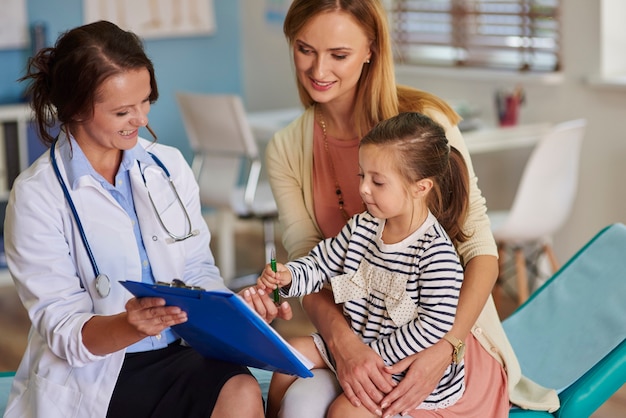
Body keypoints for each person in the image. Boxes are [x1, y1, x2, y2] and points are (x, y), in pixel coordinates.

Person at [265, 0, 559, 417]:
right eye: (305, 49)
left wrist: (446, 348)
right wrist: (344, 344)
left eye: (339, 55)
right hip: (357, 336)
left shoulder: (424, 124)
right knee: (289, 385)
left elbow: (480, 251)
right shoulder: (285, 148)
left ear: (371, 49)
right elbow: (311, 262)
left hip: (440, 349)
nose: (318, 70)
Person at [3, 20, 291, 418]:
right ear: (74, 108)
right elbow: (63, 330)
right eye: (123, 110)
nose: (140, 120)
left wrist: (236, 311)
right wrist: (131, 324)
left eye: (146, 101)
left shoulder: (168, 166)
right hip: (97, 371)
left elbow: (196, 267)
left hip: (182, 351)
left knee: (241, 389)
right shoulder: (37, 195)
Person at [259, 112, 479, 417]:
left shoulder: (435, 254)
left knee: (343, 412)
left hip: (402, 370)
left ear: (421, 187)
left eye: (377, 182)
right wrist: (289, 276)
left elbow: (433, 326)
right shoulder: (363, 226)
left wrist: (370, 359)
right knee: (288, 360)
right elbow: (322, 263)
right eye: (362, 175)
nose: (363, 189)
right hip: (360, 346)